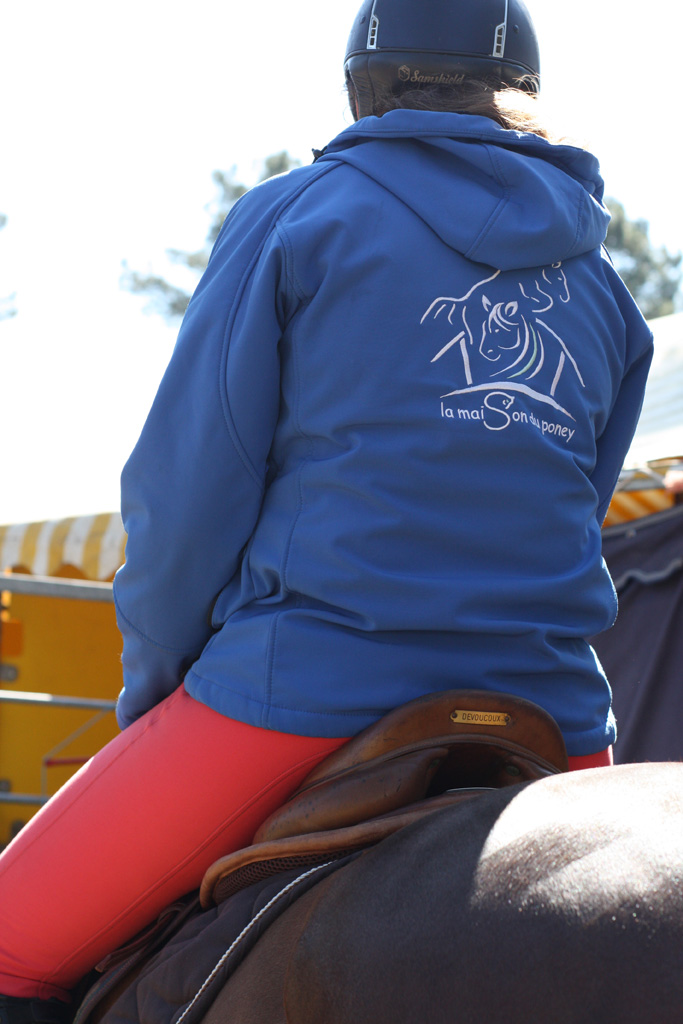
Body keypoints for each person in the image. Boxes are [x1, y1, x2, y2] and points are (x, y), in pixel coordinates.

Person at [0, 0, 653, 1019]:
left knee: (12, 941)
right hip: (553, 711)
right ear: (520, 94)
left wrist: (160, 692)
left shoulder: (299, 215)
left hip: (304, 688)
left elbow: (186, 494)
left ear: (366, 84)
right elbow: (576, 511)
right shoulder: (604, 291)